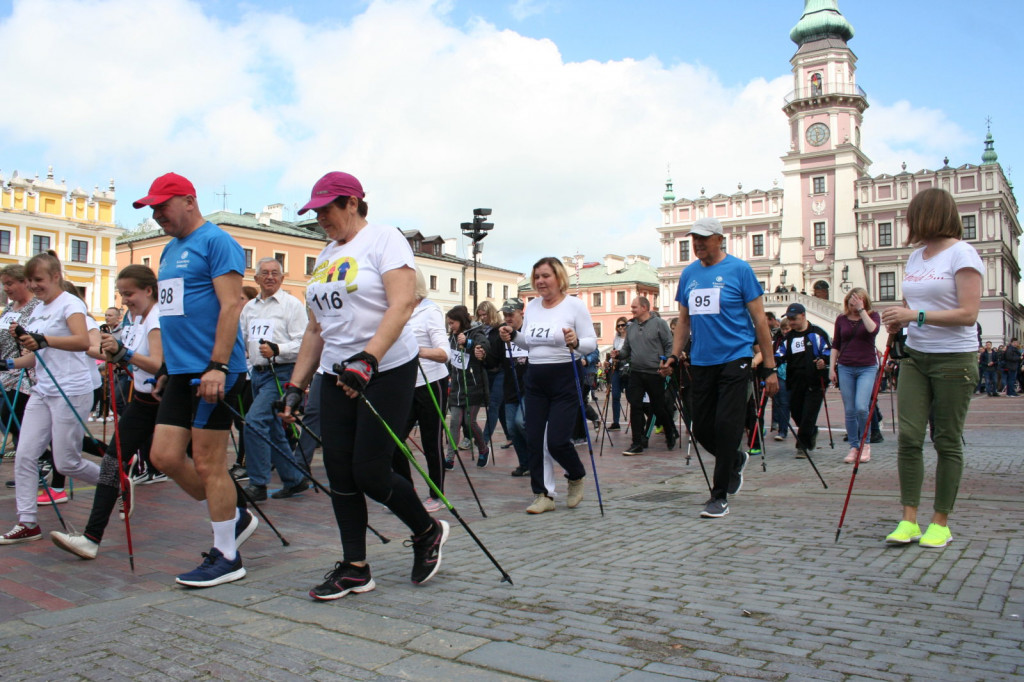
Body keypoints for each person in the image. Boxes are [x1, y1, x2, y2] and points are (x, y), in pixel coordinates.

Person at [280, 170, 448, 600]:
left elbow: (402, 303)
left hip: (387, 367)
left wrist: (369, 358)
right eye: (315, 211)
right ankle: (355, 567)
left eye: (327, 208)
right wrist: (297, 386)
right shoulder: (323, 257)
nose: (321, 217)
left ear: (352, 202)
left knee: (370, 470)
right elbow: (317, 330)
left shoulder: (385, 239)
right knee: (339, 472)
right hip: (335, 373)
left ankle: (427, 530)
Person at [133, 173, 256, 587]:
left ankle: (226, 555)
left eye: (161, 206)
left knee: (208, 462)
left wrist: (218, 366)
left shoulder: (216, 242)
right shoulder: (169, 250)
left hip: (215, 371)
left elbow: (231, 306)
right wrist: (168, 367)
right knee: (164, 457)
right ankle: (233, 512)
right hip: (183, 372)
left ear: (188, 201)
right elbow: (174, 315)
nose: (156, 215)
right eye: (152, 209)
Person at [881, 188, 982, 549]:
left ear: (929, 216)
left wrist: (915, 315)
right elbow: (911, 303)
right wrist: (898, 321)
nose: (909, 224)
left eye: (912, 217)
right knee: (909, 437)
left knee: (946, 439)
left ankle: (940, 521)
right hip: (916, 356)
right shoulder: (916, 257)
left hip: (954, 358)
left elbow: (969, 314)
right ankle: (908, 519)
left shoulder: (963, 254)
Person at [662, 217, 778, 519]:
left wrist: (769, 365)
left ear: (719, 239)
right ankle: (735, 459)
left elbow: (760, 321)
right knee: (699, 427)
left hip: (735, 358)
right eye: (693, 239)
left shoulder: (740, 270)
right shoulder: (688, 274)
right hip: (701, 360)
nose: (697, 244)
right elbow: (684, 321)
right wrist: (674, 355)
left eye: (703, 238)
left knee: (727, 427)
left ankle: (718, 495)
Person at [50, 265, 164, 559]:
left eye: (129, 294)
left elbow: (158, 364)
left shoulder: (157, 318)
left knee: (190, 462)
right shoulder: (135, 320)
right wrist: (107, 350)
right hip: (142, 400)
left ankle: (235, 516)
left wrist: (123, 353)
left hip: (166, 401)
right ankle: (91, 538)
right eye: (122, 294)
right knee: (113, 461)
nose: (125, 300)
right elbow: (120, 356)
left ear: (148, 290)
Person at [0, 251, 100, 544]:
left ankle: (114, 481)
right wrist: (8, 364)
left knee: (67, 462)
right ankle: (28, 522)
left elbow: (82, 341)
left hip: (72, 389)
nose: (33, 286)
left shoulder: (70, 303)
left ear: (56, 276)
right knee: (25, 455)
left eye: (39, 279)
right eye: (30, 280)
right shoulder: (39, 309)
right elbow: (36, 355)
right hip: (43, 390)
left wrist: (45, 340)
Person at [500, 257, 595, 514]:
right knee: (533, 438)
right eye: (537, 277)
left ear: (559, 278)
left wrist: (575, 342)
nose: (540, 281)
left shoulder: (574, 306)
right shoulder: (531, 308)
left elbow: (591, 344)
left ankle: (575, 474)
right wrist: (514, 335)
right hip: (536, 377)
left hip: (565, 375)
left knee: (556, 441)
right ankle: (543, 494)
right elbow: (529, 343)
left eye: (546, 276)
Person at [239, 257, 309, 501]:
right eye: (265, 273)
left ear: (282, 277)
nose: (270, 277)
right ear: (256, 278)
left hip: (281, 373)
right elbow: (244, 339)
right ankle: (294, 480)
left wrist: (278, 349)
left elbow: (303, 344)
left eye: (275, 273)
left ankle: (258, 484)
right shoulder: (249, 308)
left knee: (254, 421)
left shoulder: (292, 305)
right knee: (273, 428)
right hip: (257, 373)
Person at [391, 268, 450, 513]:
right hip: (404, 383)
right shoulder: (396, 309)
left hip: (431, 382)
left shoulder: (430, 311)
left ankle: (436, 494)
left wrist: (417, 350)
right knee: (393, 439)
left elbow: (444, 353)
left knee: (431, 440)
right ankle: (407, 491)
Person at [615, 297, 676, 456]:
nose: (632, 310)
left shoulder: (659, 324)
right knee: (635, 406)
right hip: (636, 372)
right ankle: (637, 443)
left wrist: (668, 363)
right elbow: (626, 350)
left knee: (658, 407)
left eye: (634, 307)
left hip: (655, 372)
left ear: (644, 307)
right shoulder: (632, 327)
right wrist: (618, 354)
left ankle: (670, 431)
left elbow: (669, 344)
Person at [829, 288, 881, 463]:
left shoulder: (873, 316)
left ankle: (865, 444)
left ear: (864, 301)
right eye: (851, 302)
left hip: (867, 366)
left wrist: (861, 311)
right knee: (850, 410)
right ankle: (854, 446)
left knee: (861, 406)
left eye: (857, 302)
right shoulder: (841, 319)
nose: (853, 306)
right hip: (845, 366)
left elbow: (872, 330)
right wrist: (832, 368)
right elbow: (836, 343)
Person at [776, 303, 831, 459]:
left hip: (815, 381)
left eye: (794, 318)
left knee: (808, 414)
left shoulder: (817, 334)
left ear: (803, 316)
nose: (791, 322)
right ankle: (811, 431)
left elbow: (828, 352)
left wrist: (823, 361)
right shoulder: (789, 338)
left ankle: (803, 445)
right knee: (796, 412)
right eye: (789, 319)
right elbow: (779, 355)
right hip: (795, 381)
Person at [445, 305, 490, 467]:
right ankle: (450, 457)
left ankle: (483, 449)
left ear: (461, 321)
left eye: (453, 323)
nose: (451, 326)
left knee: (470, 422)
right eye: (449, 323)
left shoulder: (475, 332)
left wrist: (470, 343)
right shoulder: (451, 338)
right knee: (455, 422)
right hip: (456, 387)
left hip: (473, 385)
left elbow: (484, 344)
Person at [494, 298, 530, 477]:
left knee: (520, 422)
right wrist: (481, 353)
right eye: (505, 315)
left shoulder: (529, 331)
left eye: (511, 314)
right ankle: (525, 464)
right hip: (510, 389)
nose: (507, 318)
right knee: (512, 430)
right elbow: (493, 359)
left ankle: (535, 459)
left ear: (521, 313)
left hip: (528, 387)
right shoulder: (501, 334)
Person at [476, 300, 508, 449]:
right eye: (480, 315)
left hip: (500, 370)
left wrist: (485, 355)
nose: (482, 318)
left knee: (494, 405)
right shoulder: (481, 330)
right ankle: (510, 436)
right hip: (487, 370)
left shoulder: (500, 329)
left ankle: (484, 439)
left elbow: (500, 352)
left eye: (485, 315)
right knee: (499, 407)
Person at [607, 316, 629, 430]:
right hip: (616, 368)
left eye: (623, 325)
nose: (621, 327)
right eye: (618, 325)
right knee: (615, 395)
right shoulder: (616, 338)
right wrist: (609, 362)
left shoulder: (630, 338)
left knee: (631, 396)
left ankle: (639, 421)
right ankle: (616, 422)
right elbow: (614, 353)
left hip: (628, 368)